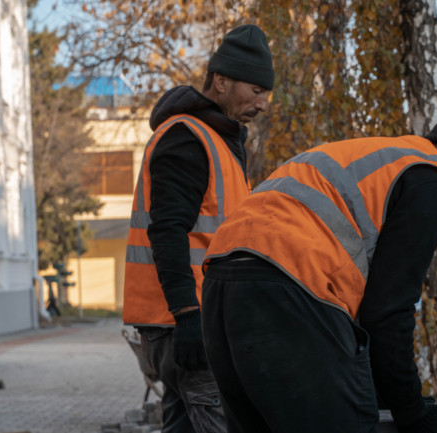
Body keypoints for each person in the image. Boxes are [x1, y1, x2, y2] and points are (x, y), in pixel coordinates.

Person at [201, 106, 437, 432]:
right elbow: (389, 311)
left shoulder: (384, 160)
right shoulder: (434, 177)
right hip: (289, 284)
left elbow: (370, 312)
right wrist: (413, 413)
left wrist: (387, 396)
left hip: (222, 282)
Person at [122, 24, 274, 433]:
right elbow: (168, 231)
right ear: (221, 82)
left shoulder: (219, 141)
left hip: (194, 325)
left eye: (267, 93)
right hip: (187, 327)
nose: (263, 104)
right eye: (257, 90)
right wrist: (188, 316)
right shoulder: (188, 139)